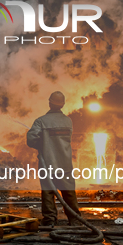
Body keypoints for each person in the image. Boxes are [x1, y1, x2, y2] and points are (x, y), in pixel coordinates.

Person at [27, 91, 82, 227]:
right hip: (65, 164)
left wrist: (42, 143)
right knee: (69, 193)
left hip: (48, 163)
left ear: (50, 103)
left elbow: (31, 140)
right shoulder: (68, 121)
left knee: (48, 192)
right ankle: (74, 220)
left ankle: (50, 220)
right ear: (62, 104)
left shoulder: (41, 121)